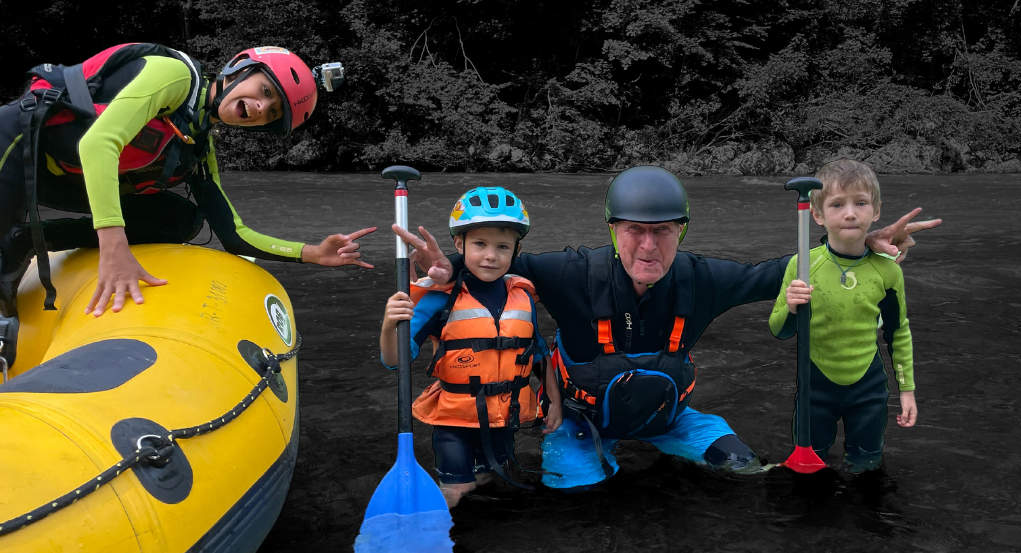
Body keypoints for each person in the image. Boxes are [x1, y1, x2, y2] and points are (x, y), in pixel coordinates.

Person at [398, 165, 940, 492]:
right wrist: (447, 267)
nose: (648, 246)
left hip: (669, 418)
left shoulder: (702, 278)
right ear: (613, 230)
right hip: (583, 420)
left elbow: (789, 269)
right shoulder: (569, 272)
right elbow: (490, 260)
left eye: (663, 231)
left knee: (746, 470)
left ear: (682, 232)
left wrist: (855, 244)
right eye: (635, 230)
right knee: (578, 495)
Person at [0, 44, 374, 365]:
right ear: (238, 70)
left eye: (273, 112)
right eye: (265, 90)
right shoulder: (175, 76)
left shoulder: (198, 143)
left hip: (60, 178)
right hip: (17, 144)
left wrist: (312, 253)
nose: (262, 107)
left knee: (180, 219)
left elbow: (234, 234)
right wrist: (114, 247)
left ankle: (23, 240)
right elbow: (98, 144)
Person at [379, 186, 562, 506]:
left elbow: (537, 355)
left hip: (504, 419)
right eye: (480, 244)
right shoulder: (439, 299)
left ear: (516, 251)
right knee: (456, 490)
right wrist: (388, 325)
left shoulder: (522, 296)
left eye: (502, 246)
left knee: (488, 478)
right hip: (455, 424)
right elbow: (396, 360)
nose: (491, 255)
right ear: (459, 245)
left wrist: (554, 402)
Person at [770, 159, 917, 476]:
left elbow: (898, 332)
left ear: (876, 210)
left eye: (860, 203)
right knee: (810, 473)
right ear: (818, 215)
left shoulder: (887, 271)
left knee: (867, 467)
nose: (850, 213)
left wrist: (907, 390)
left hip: (869, 390)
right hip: (814, 389)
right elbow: (779, 330)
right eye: (837, 205)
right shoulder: (802, 265)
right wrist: (791, 306)